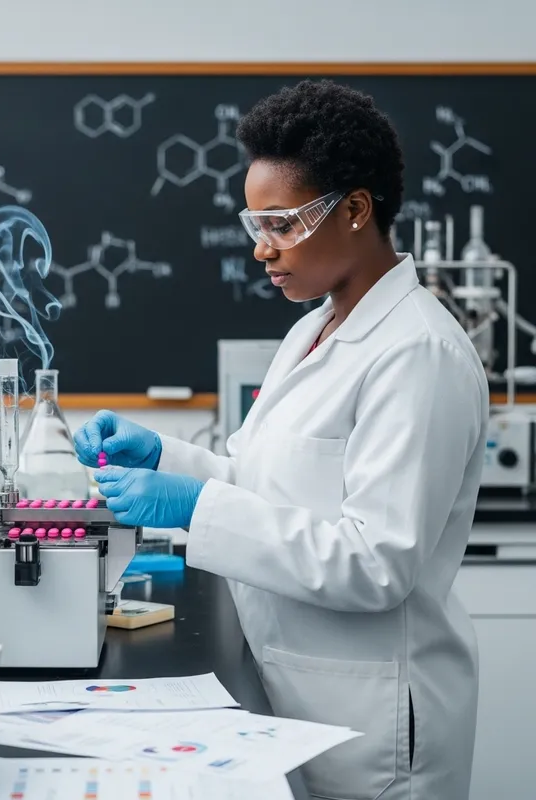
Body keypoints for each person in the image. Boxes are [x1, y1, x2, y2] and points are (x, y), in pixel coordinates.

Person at [74, 80, 488, 800]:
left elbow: (375, 562)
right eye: (254, 225)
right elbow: (276, 485)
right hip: (293, 692)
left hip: (374, 727)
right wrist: (169, 459)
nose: (263, 250)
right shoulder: (312, 328)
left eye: (281, 224)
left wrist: (195, 505)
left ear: (356, 210)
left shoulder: (417, 352)